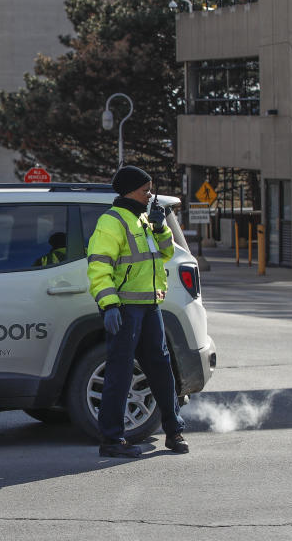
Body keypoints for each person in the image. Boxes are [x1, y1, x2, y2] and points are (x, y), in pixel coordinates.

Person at [86, 165, 189, 457]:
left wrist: (159, 227)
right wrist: (109, 305)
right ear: (130, 190)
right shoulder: (112, 222)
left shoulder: (144, 218)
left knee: (161, 370)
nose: (149, 195)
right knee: (119, 373)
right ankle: (112, 440)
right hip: (125, 309)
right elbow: (98, 267)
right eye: (146, 190)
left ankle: (174, 432)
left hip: (149, 306)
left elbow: (166, 252)